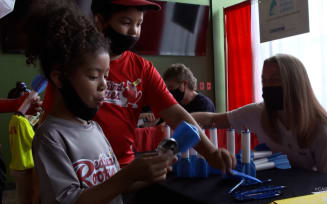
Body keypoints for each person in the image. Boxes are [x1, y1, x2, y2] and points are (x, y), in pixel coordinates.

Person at [42, 0, 235, 172]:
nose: (134, 31)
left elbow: (176, 114)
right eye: (126, 22)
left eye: (139, 24)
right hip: (79, 169)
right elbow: (49, 121)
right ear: (100, 21)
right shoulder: (73, 64)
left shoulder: (143, 69)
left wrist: (211, 152)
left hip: (124, 169)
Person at [25, 2, 172, 204]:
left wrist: (146, 173)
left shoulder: (95, 129)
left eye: (106, 75)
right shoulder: (50, 137)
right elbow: (72, 203)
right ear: (59, 78)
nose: (104, 85)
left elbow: (110, 185)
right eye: (94, 76)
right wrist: (127, 175)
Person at [192, 54, 327, 173]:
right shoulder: (258, 112)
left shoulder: (320, 128)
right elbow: (212, 119)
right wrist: (174, 121)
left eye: (274, 80)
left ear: (295, 85)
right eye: (264, 81)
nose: (267, 87)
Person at [7, 82, 38, 204]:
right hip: (25, 169)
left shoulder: (15, 119)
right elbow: (35, 143)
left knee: (23, 200)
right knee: (27, 202)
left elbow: (33, 121)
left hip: (18, 167)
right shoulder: (21, 122)